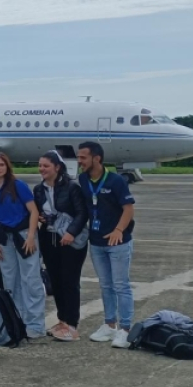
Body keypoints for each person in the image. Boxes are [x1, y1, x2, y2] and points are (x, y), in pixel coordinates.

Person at [0, 152, 46, 340]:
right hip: (2, 237)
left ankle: (35, 324)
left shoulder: (18, 186)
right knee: (10, 280)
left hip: (23, 234)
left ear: (7, 167)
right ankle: (17, 320)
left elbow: (33, 211)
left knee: (30, 279)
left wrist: (31, 236)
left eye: (1, 164)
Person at [78, 141, 137, 349]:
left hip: (117, 242)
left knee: (121, 285)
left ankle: (126, 329)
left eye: (83, 157)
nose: (79, 161)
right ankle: (109, 324)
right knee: (105, 285)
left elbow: (128, 209)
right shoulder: (83, 179)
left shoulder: (115, 181)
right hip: (96, 242)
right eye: (79, 157)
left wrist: (119, 230)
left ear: (97, 158)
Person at [34, 150, 90, 342]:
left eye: (46, 166)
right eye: (40, 165)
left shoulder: (72, 187)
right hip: (49, 239)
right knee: (55, 281)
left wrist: (71, 233)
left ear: (57, 167)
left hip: (70, 241)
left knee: (70, 281)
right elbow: (38, 211)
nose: (42, 169)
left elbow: (82, 213)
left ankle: (72, 324)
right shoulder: (39, 189)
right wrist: (42, 217)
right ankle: (62, 320)